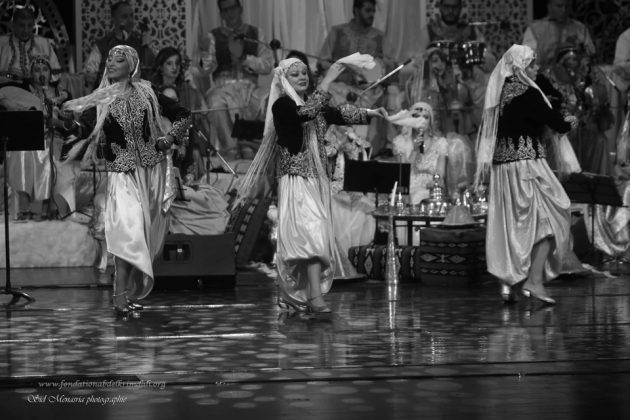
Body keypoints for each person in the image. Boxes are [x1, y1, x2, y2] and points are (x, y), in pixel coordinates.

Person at [234, 57, 386, 314]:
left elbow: (337, 114)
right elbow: (305, 114)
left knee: (315, 239)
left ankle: (305, 295)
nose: (302, 77)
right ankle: (313, 296)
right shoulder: (282, 106)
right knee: (310, 238)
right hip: (296, 182)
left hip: (315, 181)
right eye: (296, 74)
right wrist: (328, 81)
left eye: (304, 73)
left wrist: (373, 113)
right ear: (284, 80)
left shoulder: (314, 105)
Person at [63, 45, 191, 316]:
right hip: (121, 175)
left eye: (118, 60)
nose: (110, 63)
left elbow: (183, 114)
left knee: (143, 237)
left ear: (131, 66)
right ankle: (119, 298)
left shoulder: (147, 91)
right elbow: (84, 128)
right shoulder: (102, 98)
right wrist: (65, 124)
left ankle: (128, 294)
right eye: (109, 59)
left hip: (151, 174)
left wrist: (169, 138)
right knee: (127, 235)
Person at [475, 44, 578, 305]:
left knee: (515, 226)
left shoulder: (500, 93)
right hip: (527, 167)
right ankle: (534, 280)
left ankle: (509, 283)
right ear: (520, 67)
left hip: (503, 169)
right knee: (551, 217)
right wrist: (571, 121)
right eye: (532, 64)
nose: (536, 69)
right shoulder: (528, 94)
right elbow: (557, 123)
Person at [316, 0, 398, 155]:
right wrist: (345, 70)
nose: (372, 15)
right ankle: (333, 149)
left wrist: (376, 65)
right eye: (368, 10)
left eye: (373, 11)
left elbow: (392, 64)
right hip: (339, 88)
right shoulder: (337, 32)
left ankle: (375, 150)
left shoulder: (380, 36)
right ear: (356, 10)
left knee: (389, 95)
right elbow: (322, 62)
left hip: (370, 91)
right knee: (328, 96)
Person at [200, 0, 274, 160]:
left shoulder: (256, 33)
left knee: (268, 100)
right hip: (222, 88)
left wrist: (245, 58)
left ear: (240, 9)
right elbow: (206, 69)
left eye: (232, 8)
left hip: (250, 88)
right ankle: (230, 149)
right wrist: (204, 55)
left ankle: (252, 146)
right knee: (215, 105)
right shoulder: (213, 36)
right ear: (221, 14)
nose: (229, 13)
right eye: (225, 10)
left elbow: (268, 64)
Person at [150, 46, 210, 181]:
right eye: (169, 63)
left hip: (186, 144)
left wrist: (194, 87)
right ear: (160, 66)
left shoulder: (185, 89)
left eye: (177, 63)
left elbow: (205, 111)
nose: (174, 67)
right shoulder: (153, 91)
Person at [83, 1, 155, 90]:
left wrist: (146, 47)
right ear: (114, 19)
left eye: (131, 16)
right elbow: (90, 76)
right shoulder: (102, 45)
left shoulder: (140, 41)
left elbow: (154, 68)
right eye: (125, 17)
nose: (130, 20)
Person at [391, 102, 449, 205]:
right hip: (408, 191)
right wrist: (414, 150)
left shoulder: (440, 143)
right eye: (417, 116)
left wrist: (434, 183)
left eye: (426, 117)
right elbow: (402, 175)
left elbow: (440, 175)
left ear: (430, 121)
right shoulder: (400, 142)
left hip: (431, 191)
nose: (421, 120)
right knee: (415, 197)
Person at [522, 0, 595, 72]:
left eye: (567, 6)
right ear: (549, 6)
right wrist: (556, 51)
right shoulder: (535, 29)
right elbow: (528, 62)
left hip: (575, 75)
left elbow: (591, 56)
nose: (564, 10)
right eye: (559, 6)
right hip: (544, 76)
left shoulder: (580, 28)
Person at [0, 6, 61, 83]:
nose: (26, 30)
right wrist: (10, 75)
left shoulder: (43, 43)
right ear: (14, 25)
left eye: (29, 26)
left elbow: (56, 73)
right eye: (21, 25)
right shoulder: (2, 43)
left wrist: (36, 76)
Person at [417, 0, 485, 53]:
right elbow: (418, 59)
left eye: (455, 7)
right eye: (446, 6)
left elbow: (487, 57)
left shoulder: (472, 31)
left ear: (460, 7)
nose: (450, 11)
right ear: (440, 7)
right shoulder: (428, 31)